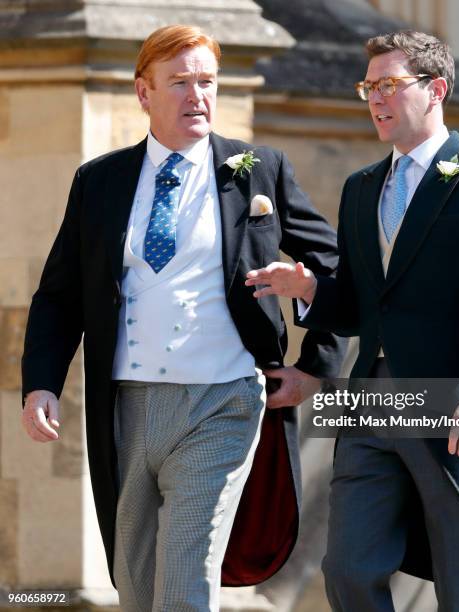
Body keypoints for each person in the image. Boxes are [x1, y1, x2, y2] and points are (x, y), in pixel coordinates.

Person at [21, 24, 346, 612]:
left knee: (186, 575)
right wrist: (41, 382)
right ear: (143, 93)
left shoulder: (258, 170)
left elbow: (332, 266)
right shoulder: (99, 181)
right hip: (129, 405)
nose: (198, 95)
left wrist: (316, 365)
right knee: (138, 585)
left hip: (223, 400)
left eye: (207, 81)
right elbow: (60, 294)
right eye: (180, 82)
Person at [246, 30, 459, 612]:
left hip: (450, 400)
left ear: (436, 90)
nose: (376, 99)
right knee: (348, 569)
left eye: (389, 85)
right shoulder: (360, 188)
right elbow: (355, 306)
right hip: (368, 402)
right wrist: (309, 290)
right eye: (367, 87)